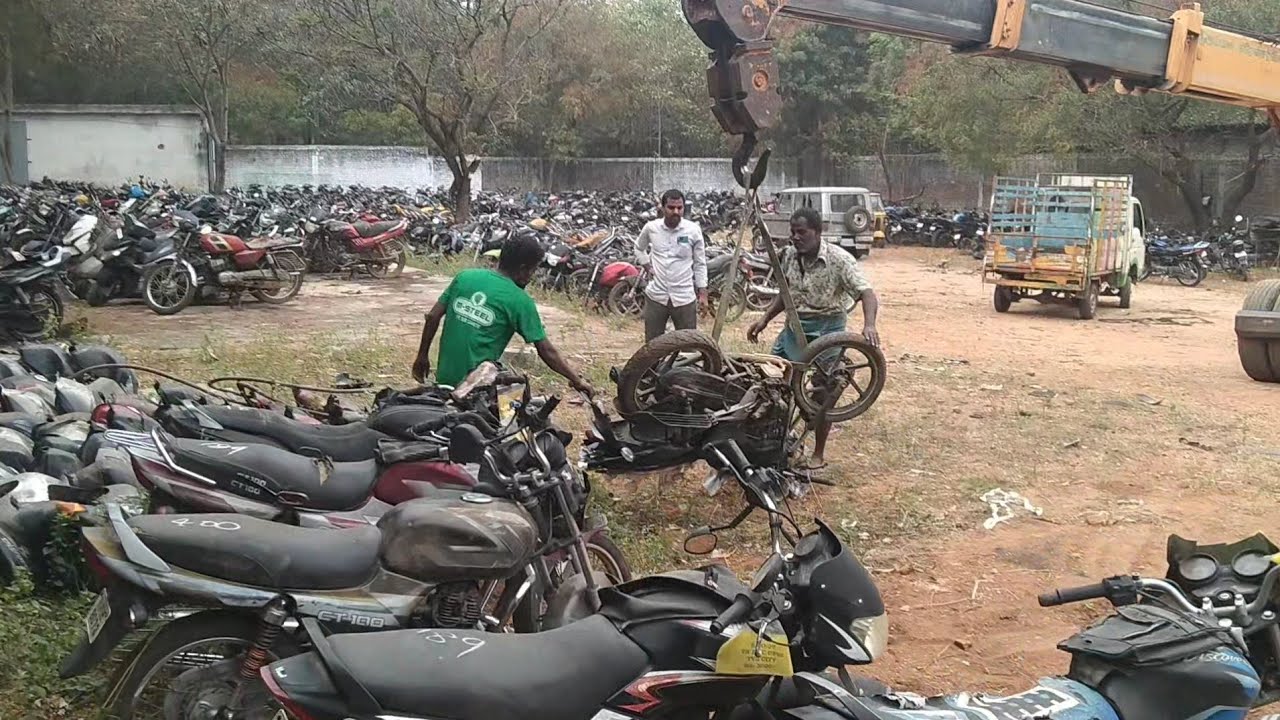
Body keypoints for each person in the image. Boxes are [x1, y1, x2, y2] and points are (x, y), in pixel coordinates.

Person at [747, 206, 881, 469]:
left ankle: (818, 453)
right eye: (793, 232)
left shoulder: (840, 260)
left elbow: (867, 293)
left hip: (828, 330)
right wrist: (764, 319)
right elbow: (786, 293)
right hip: (794, 329)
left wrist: (869, 325)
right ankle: (774, 443)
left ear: (818, 232)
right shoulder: (788, 256)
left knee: (823, 396)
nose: (796, 237)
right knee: (771, 384)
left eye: (802, 232)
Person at [412, 231, 595, 396]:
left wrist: (422, 356)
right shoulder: (520, 300)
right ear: (524, 269)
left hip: (444, 380)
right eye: (533, 270)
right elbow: (546, 350)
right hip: (476, 389)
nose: (531, 276)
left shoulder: (465, 277)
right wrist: (577, 380)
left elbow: (432, 317)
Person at [636, 189, 708, 342]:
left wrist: (702, 293)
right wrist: (647, 266)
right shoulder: (651, 228)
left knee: (688, 345)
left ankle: (683, 367)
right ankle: (654, 367)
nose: (676, 212)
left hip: (684, 298)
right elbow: (638, 248)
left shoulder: (693, 231)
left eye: (679, 208)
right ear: (662, 208)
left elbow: (700, 263)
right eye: (671, 208)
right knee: (652, 346)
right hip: (656, 297)